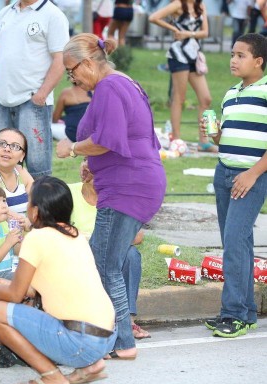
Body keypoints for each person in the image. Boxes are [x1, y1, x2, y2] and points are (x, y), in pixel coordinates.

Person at [56, 34, 166, 359]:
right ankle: (118, 340)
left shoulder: (108, 87)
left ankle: (120, 343)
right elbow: (132, 136)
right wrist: (94, 165)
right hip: (137, 181)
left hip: (127, 187)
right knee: (109, 262)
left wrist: (74, 149)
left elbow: (108, 138)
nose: (72, 78)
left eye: (71, 70)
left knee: (104, 265)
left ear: (88, 63)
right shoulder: (125, 82)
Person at [0, 176, 116, 384]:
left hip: (82, 342)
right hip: (107, 337)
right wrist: (7, 284)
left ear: (35, 211)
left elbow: (14, 295)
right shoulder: (75, 235)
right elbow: (40, 287)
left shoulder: (37, 238)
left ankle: (52, 377)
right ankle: (91, 366)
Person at [202, 33, 267, 338]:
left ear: (259, 61)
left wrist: (253, 173)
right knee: (235, 244)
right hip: (224, 173)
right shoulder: (230, 94)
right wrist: (213, 134)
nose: (233, 60)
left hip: (249, 177)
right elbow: (225, 137)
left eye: (241, 55)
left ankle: (234, 314)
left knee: (235, 243)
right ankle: (248, 312)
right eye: (232, 54)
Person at [0, 0, 70, 179]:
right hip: (1, 100)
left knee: (37, 167)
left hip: (33, 102)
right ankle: (2, 205)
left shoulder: (53, 15)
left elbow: (60, 58)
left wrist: (42, 94)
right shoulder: (5, 13)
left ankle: (39, 206)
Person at [68, 168, 151, 339]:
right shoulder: (68, 193)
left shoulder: (118, 199)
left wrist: (101, 241)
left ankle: (127, 320)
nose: (89, 168)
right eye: (86, 161)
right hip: (77, 254)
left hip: (108, 252)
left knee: (131, 255)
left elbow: (137, 235)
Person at [149, 0, 216, 152]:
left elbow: (205, 32)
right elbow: (153, 17)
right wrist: (174, 28)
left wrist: (188, 33)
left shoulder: (200, 5)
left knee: (206, 99)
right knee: (179, 98)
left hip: (193, 53)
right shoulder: (178, 4)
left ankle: (204, 141)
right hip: (178, 54)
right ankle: (176, 138)